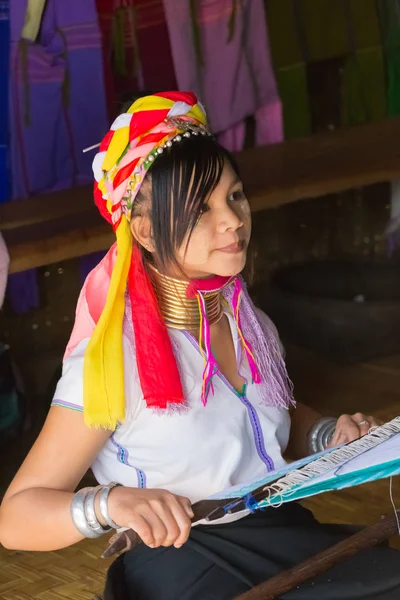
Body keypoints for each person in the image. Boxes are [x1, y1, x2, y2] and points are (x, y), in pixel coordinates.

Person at [0, 91, 398, 600]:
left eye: (234, 196)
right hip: (185, 560)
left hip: (281, 533)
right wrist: (111, 504)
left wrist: (327, 436)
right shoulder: (114, 359)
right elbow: (17, 515)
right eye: (201, 209)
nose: (232, 219)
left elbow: (271, 419)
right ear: (144, 229)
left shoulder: (249, 323)